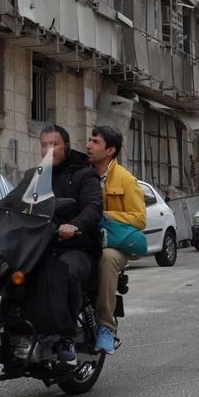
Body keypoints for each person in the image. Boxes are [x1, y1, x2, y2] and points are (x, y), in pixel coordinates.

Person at [5, 125, 102, 361]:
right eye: (44, 144)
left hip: (75, 246)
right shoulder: (33, 176)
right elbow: (11, 201)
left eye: (54, 144)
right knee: (5, 272)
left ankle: (66, 337)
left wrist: (75, 225)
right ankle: (14, 330)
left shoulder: (84, 174)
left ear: (66, 146)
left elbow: (93, 206)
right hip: (37, 246)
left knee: (64, 273)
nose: (49, 149)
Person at [85, 124, 144, 354]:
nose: (88, 145)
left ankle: (107, 327)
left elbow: (139, 219)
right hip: (87, 237)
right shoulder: (83, 172)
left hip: (116, 243)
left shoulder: (126, 180)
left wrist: (106, 216)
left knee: (107, 259)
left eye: (95, 142)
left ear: (110, 151)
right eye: (89, 140)